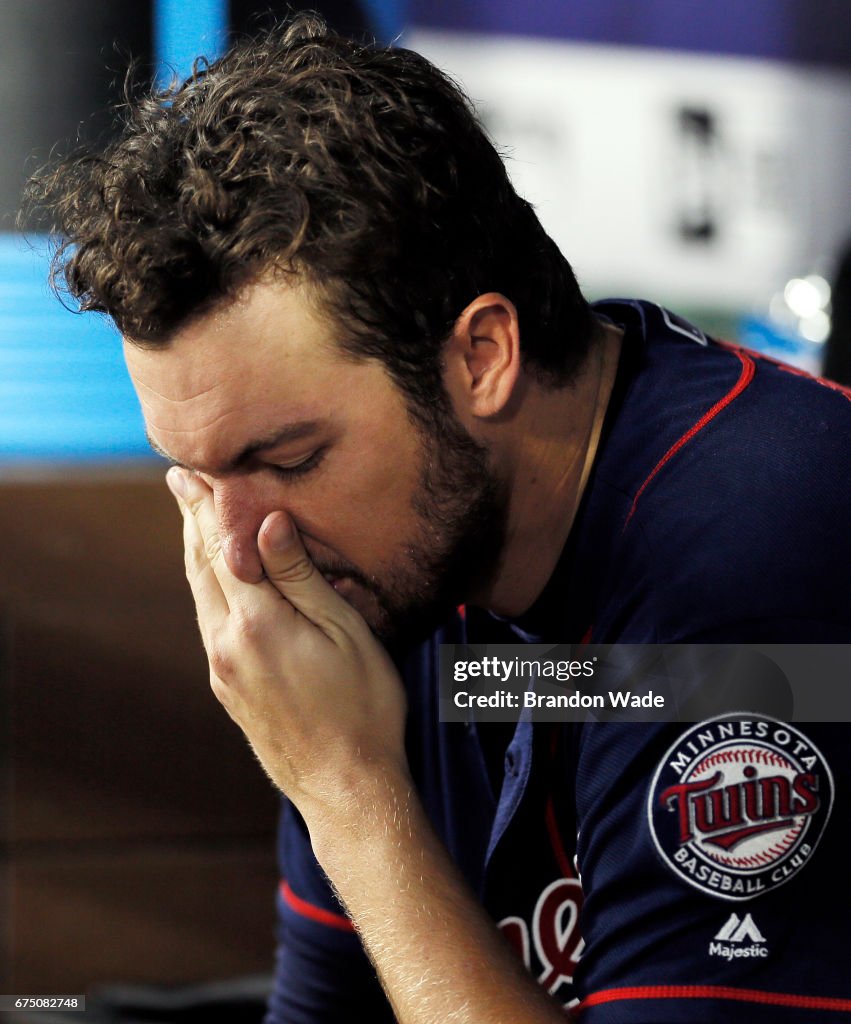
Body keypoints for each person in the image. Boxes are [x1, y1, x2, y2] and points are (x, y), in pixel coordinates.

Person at [27, 14, 851, 1022]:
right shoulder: (388, 569)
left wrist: (348, 792)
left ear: (481, 358)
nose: (243, 553)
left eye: (287, 459)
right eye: (196, 480)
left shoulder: (751, 548)